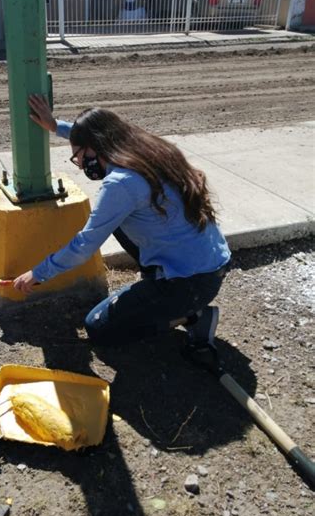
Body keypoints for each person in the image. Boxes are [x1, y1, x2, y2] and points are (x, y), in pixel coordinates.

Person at [14, 95, 231, 351]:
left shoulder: (121, 183)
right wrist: (55, 126)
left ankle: (193, 316)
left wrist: (38, 273)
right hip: (212, 264)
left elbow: (84, 245)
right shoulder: (148, 149)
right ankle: (158, 285)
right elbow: (95, 136)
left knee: (99, 330)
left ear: (96, 145)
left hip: (190, 284)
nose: (81, 164)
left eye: (79, 157)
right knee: (116, 219)